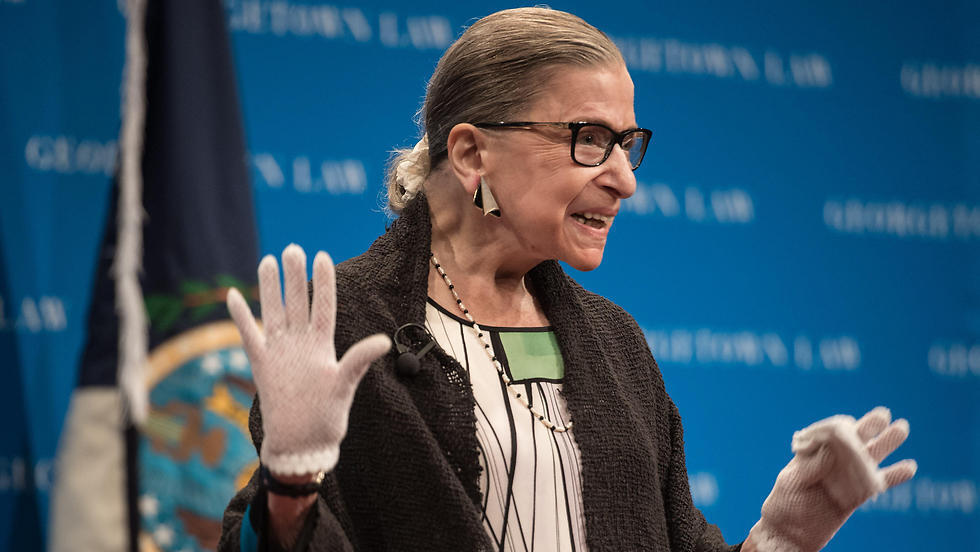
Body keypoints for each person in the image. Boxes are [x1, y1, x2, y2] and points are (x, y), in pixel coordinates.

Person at [218, 7, 916, 552]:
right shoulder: (345, 328)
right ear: (470, 153)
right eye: (590, 139)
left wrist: (785, 537)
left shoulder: (615, 345)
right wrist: (290, 483)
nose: (624, 180)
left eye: (629, 144)